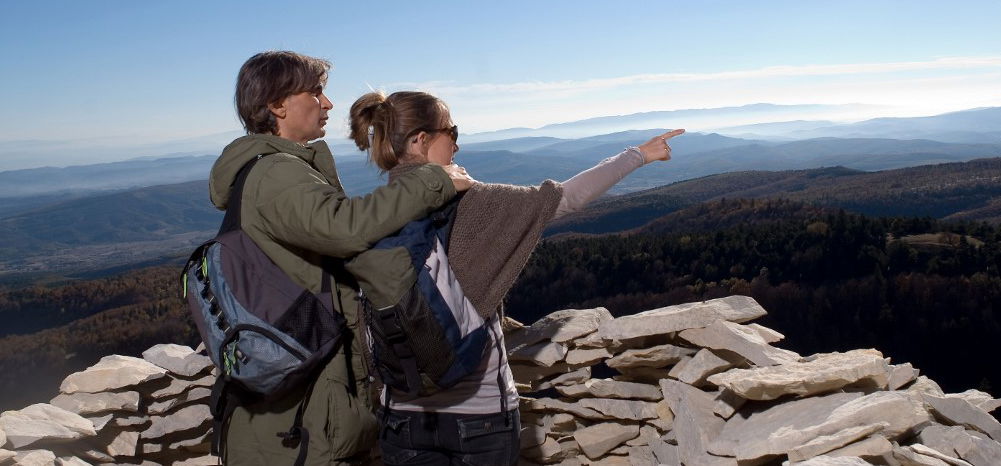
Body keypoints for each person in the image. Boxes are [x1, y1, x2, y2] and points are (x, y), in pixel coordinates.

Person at [347, 90, 683, 466]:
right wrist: (639, 154)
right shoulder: (476, 202)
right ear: (420, 140)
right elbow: (565, 198)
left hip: (401, 417)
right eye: (451, 131)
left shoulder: (364, 216)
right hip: (479, 415)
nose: (457, 143)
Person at [208, 52, 475, 466]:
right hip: (297, 423)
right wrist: (434, 180)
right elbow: (346, 227)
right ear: (278, 105)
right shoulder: (276, 174)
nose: (328, 104)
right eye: (315, 93)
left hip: (294, 406)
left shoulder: (275, 169)